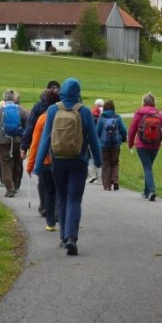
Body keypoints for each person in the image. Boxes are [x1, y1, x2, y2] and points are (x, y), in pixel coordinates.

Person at [34, 77, 102, 256]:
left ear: (62, 92)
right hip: (78, 161)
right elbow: (93, 139)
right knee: (74, 199)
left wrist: (38, 164)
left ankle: (63, 237)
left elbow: (46, 138)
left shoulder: (52, 110)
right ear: (78, 92)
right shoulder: (84, 112)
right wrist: (98, 161)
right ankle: (72, 237)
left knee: (62, 198)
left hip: (57, 161)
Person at [21, 80, 61, 215]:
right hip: (61, 151)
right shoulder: (63, 109)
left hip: (42, 152)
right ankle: (55, 208)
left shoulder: (39, 108)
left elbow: (31, 127)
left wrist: (25, 148)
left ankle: (44, 206)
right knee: (57, 181)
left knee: (43, 180)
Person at [127, 92, 162, 202]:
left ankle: (151, 191)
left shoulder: (139, 113)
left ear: (144, 102)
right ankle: (146, 192)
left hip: (141, 145)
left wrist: (130, 143)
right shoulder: (159, 115)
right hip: (155, 145)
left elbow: (132, 129)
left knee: (147, 167)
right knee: (149, 167)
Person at [0, 89, 29, 197]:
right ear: (14, 99)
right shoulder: (21, 110)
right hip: (18, 141)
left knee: (6, 164)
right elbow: (27, 126)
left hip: (3, 141)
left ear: (4, 99)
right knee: (17, 163)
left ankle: (10, 188)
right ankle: (15, 185)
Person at [95, 99, 127, 190]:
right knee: (115, 162)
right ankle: (115, 180)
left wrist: (100, 139)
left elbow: (97, 132)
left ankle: (107, 185)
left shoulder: (101, 118)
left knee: (105, 163)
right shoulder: (118, 117)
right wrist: (123, 138)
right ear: (113, 108)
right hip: (115, 144)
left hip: (104, 145)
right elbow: (124, 130)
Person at [88, 98, 105, 184]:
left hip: (92, 138)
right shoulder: (104, 114)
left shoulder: (92, 113)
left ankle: (92, 175)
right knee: (101, 157)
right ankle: (101, 177)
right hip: (102, 139)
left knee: (91, 157)